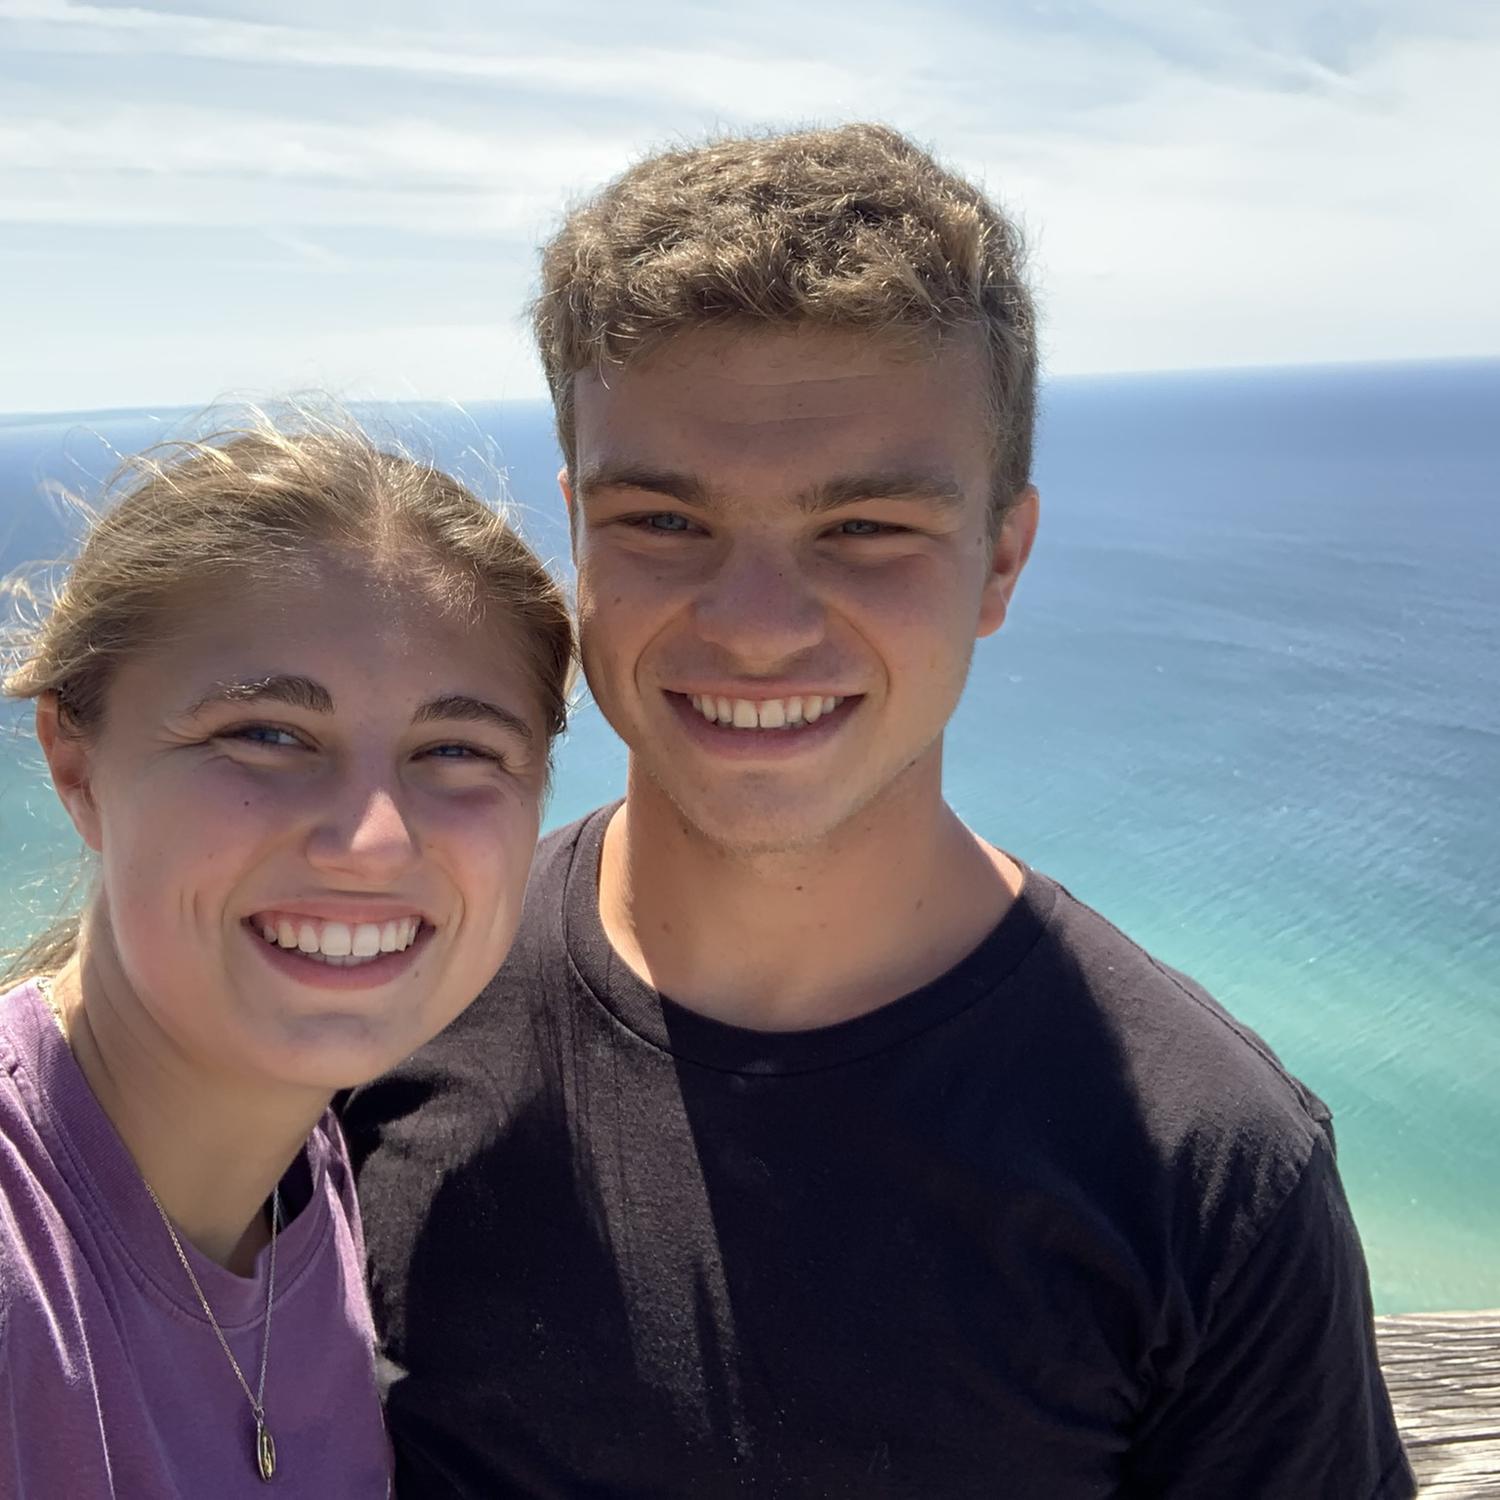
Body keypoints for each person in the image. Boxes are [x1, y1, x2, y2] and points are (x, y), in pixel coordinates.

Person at [344, 125, 1416, 1498]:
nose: (754, 628)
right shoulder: (379, 1002)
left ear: (1000, 561)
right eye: (665, 522)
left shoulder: (1209, 1173)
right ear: (578, 533)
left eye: (865, 530)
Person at [0, 417, 573, 1497]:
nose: (372, 839)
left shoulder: (315, 1183)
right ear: (75, 763)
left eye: (457, 750)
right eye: (266, 733)